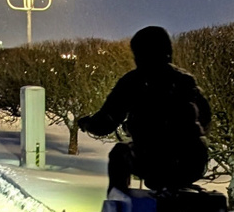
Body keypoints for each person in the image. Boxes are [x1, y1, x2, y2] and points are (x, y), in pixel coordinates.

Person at [78, 25, 211, 192]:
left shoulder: (134, 81)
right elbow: (205, 118)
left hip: (153, 160)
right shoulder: (186, 81)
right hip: (193, 162)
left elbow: (105, 122)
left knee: (119, 153)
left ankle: (117, 203)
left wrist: (87, 124)